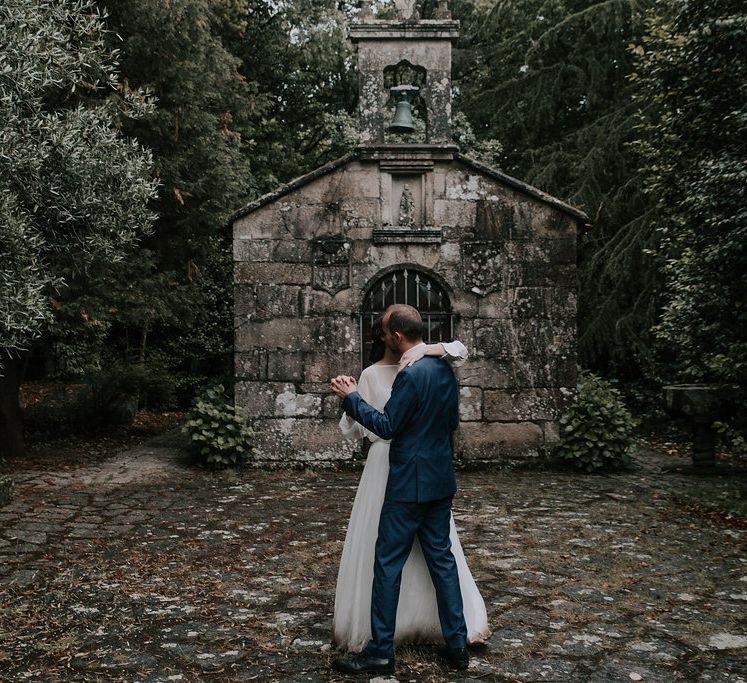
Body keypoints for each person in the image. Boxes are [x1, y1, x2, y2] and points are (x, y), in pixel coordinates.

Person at [329, 304, 485, 675]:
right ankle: (457, 645)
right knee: (442, 563)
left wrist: (351, 398)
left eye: (385, 332)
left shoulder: (410, 374)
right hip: (439, 479)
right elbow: (449, 422)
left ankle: (381, 651)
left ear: (397, 337)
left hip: (407, 485)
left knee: (387, 564)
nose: (382, 338)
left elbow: (386, 426)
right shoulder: (443, 369)